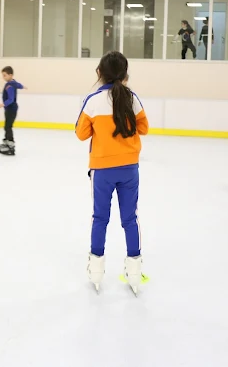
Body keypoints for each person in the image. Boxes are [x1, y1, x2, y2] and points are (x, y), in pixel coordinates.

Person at [75, 51, 149, 295]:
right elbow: (144, 128)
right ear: (125, 74)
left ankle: (96, 269)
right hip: (129, 168)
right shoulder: (132, 98)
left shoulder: (93, 100)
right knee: (130, 218)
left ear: (99, 72)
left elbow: (81, 133)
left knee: (100, 217)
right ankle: (134, 270)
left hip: (102, 169)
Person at [0, 66, 26, 156]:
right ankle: (6, 142)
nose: (3, 77)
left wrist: (2, 104)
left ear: (10, 75)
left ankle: (11, 146)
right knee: (7, 126)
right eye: (3, 75)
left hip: (11, 109)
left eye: (5, 75)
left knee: (8, 127)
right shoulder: (13, 83)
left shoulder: (9, 86)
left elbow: (11, 99)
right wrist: (23, 86)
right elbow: (19, 85)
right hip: (10, 109)